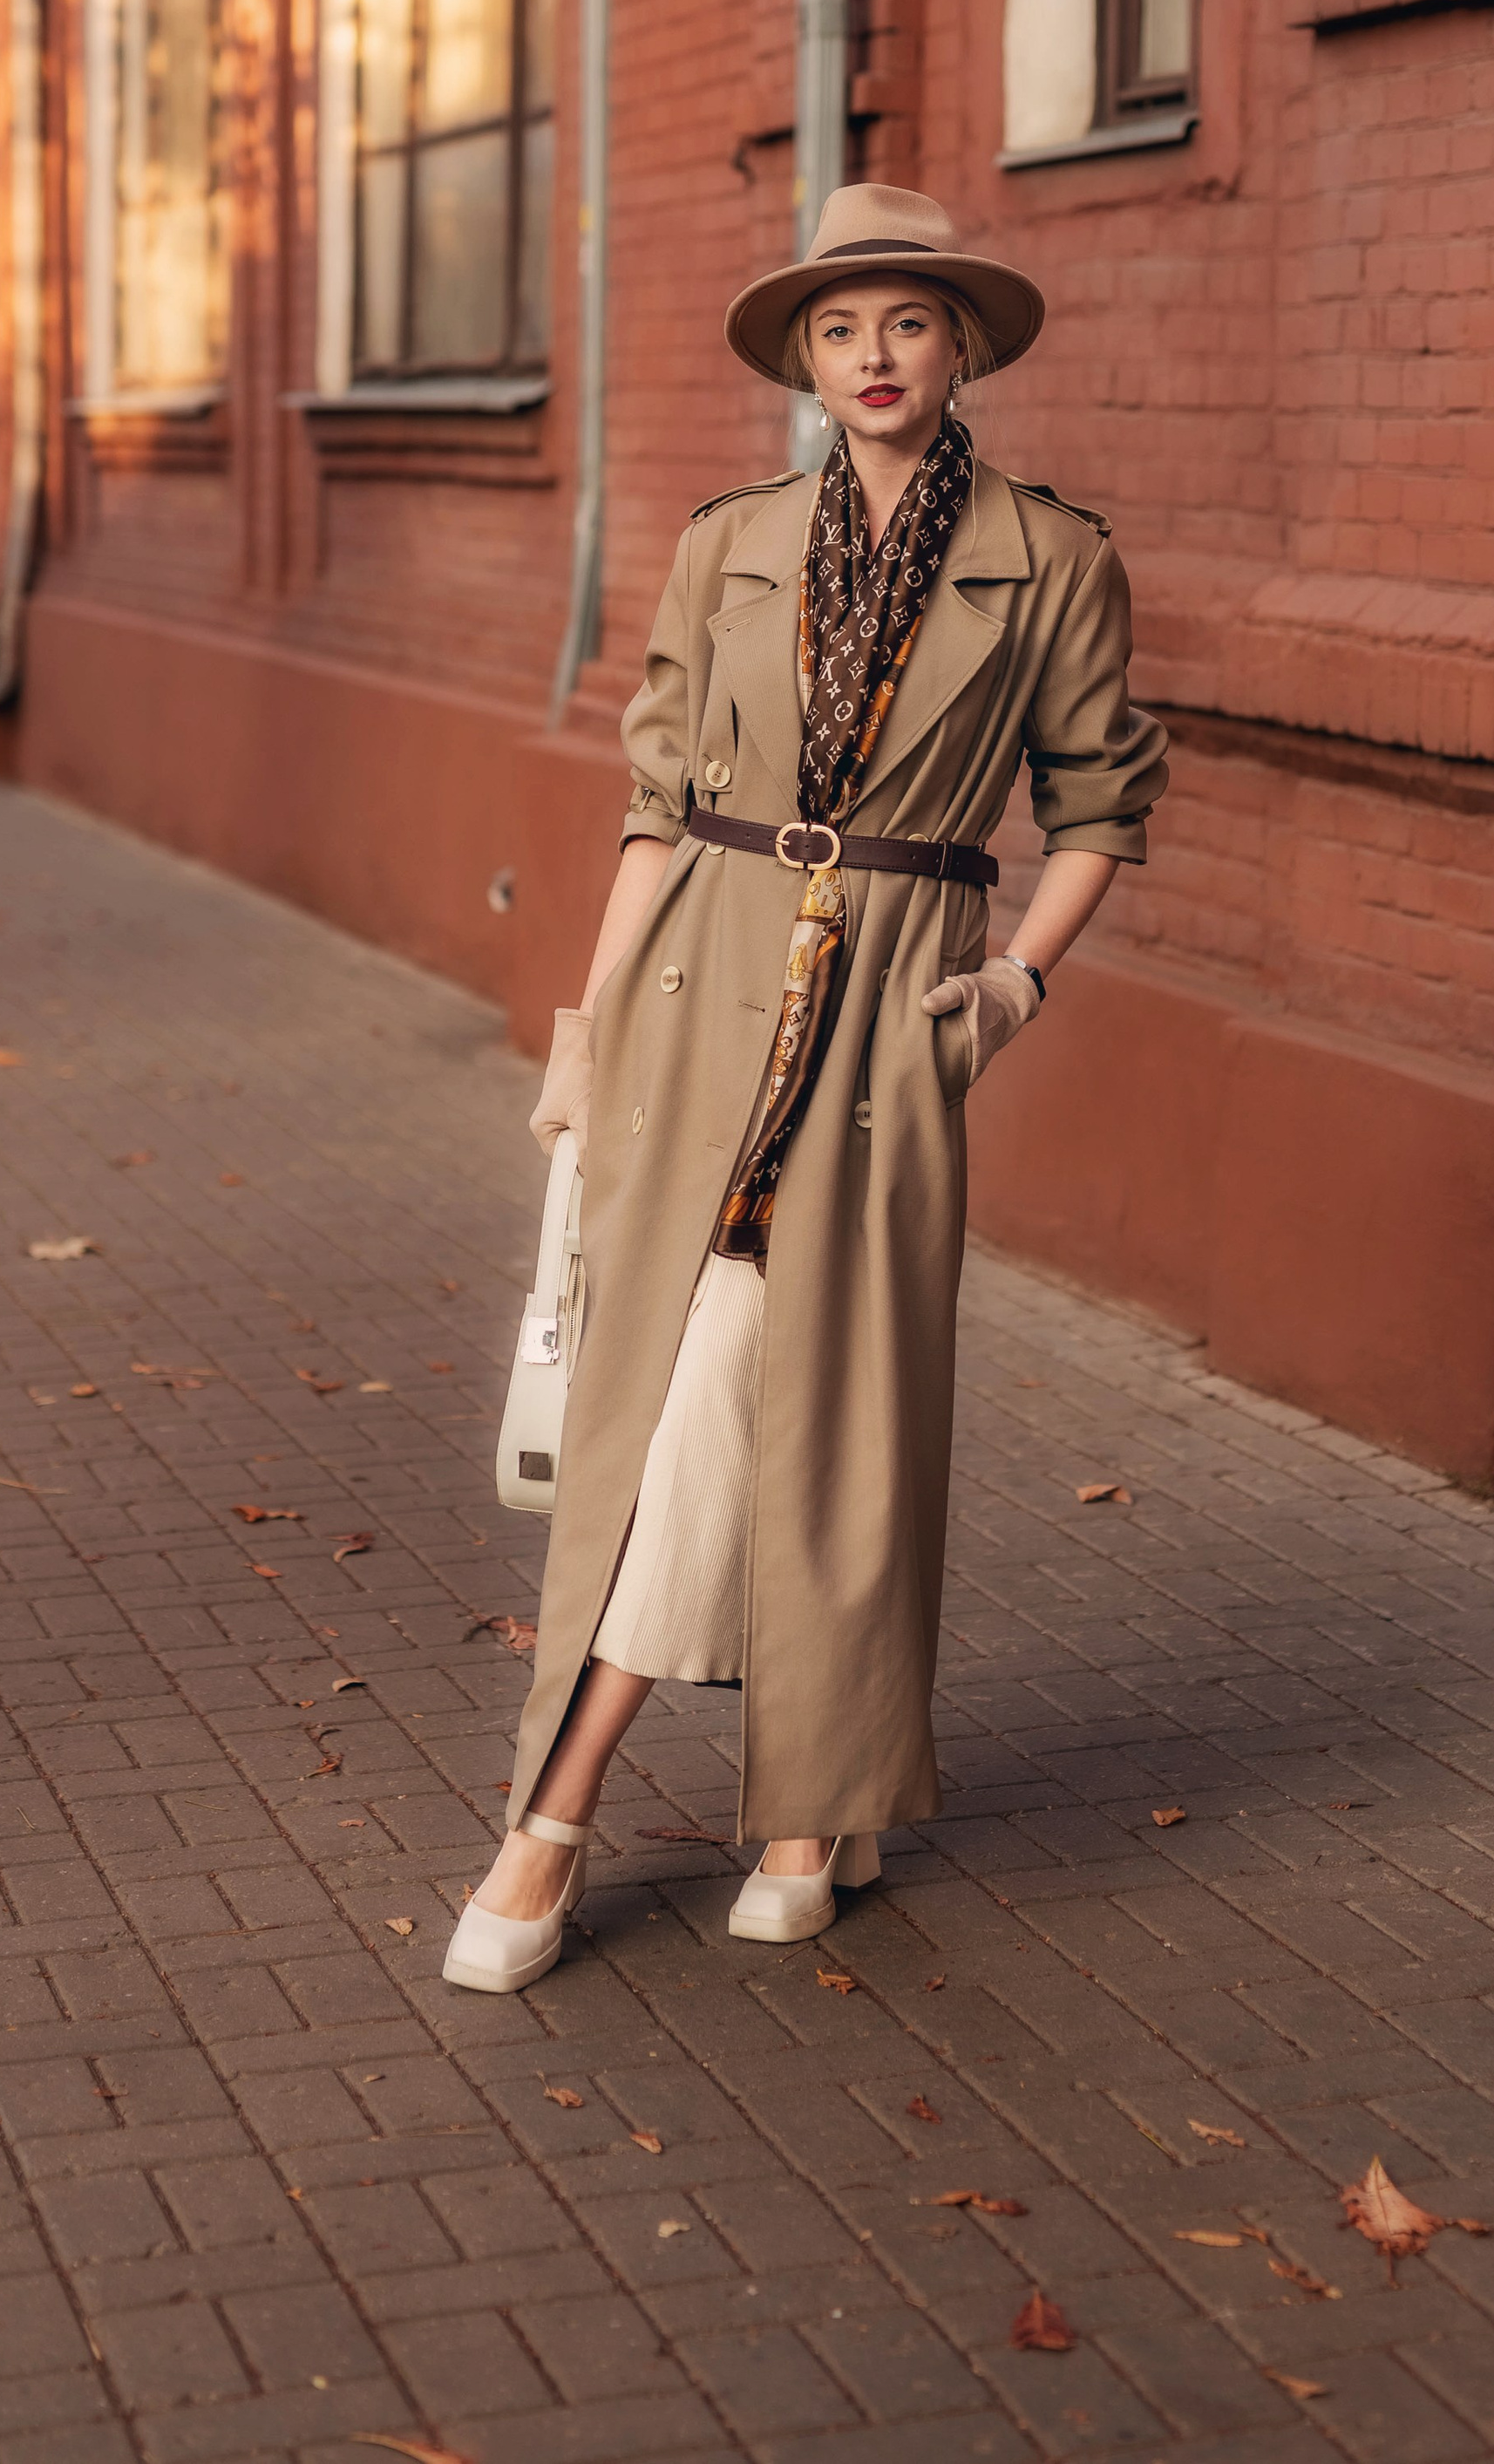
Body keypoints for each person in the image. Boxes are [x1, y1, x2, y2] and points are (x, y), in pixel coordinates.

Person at [445, 184, 1168, 1994]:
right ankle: (639, 1813)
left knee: (827, 1411)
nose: (872, 356)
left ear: (962, 345)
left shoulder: (1050, 556)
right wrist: (590, 1027)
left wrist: (1012, 980)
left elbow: (1099, 806)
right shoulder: (725, 542)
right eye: (839, 329)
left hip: (893, 1007)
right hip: (700, 982)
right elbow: (655, 796)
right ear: (800, 359)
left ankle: (679, 1814)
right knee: (679, 1398)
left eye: (907, 322)